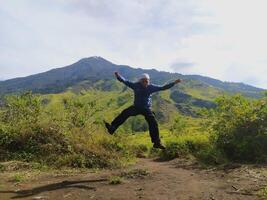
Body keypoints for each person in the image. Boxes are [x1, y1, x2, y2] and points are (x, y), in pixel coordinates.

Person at [104, 72, 181, 149]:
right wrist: (118, 76)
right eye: (143, 81)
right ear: (140, 81)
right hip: (136, 107)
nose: (145, 82)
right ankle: (112, 127)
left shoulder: (151, 87)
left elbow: (163, 87)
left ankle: (156, 142)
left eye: (146, 81)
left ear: (148, 81)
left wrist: (174, 83)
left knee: (153, 122)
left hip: (146, 108)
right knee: (125, 113)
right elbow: (125, 81)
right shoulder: (135, 85)